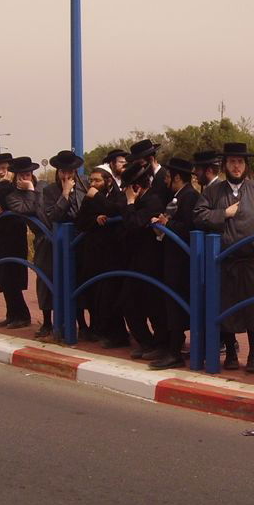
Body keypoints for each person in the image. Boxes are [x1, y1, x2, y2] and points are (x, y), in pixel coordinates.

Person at [193, 142, 254, 373]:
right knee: (226, 306)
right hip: (224, 260)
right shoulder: (213, 191)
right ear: (224, 165)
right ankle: (230, 352)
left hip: (253, 260)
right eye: (232, 162)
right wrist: (223, 214)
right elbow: (199, 216)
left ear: (246, 165)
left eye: (240, 162)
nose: (236, 166)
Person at [149, 158, 200, 370]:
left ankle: (175, 352)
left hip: (181, 262)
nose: (166, 180)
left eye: (169, 177)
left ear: (177, 177)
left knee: (177, 305)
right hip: (172, 259)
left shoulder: (189, 197)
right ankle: (171, 348)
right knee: (171, 304)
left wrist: (169, 224)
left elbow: (189, 228)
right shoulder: (178, 197)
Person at [119, 160, 169, 358]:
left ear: (136, 187)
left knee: (154, 306)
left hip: (151, 262)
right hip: (135, 262)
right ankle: (146, 342)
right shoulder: (139, 202)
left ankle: (161, 344)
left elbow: (134, 224)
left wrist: (130, 203)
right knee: (128, 303)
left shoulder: (153, 202)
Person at [33, 150, 86, 338]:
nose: (66, 176)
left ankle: (81, 323)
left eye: (70, 172)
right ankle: (48, 322)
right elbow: (53, 216)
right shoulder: (49, 191)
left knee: (77, 281)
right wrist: (64, 194)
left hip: (77, 242)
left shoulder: (83, 187)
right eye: (63, 172)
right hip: (52, 243)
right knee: (48, 281)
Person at [75, 165, 128, 347]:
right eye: (91, 180)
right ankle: (100, 330)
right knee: (94, 295)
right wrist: (95, 220)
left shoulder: (118, 195)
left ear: (108, 181)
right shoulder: (90, 198)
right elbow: (80, 221)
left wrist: (96, 197)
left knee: (110, 297)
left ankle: (118, 335)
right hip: (93, 253)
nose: (93, 184)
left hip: (114, 254)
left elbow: (116, 210)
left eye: (97, 180)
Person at [0, 153, 40, 329]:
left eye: (5, 168)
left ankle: (22, 315)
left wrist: (6, 185)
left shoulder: (19, 186)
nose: (2, 172)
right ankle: (11, 313)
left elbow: (18, 205)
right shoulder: (1, 186)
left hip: (15, 235)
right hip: (0, 233)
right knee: (1, 274)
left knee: (12, 275)